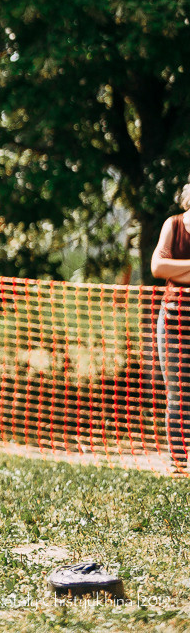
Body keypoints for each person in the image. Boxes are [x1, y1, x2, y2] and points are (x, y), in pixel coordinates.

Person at [150, 183, 190, 473]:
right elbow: (158, 267)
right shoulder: (173, 225)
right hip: (174, 322)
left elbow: (168, 268)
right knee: (177, 395)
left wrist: (178, 269)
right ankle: (179, 460)